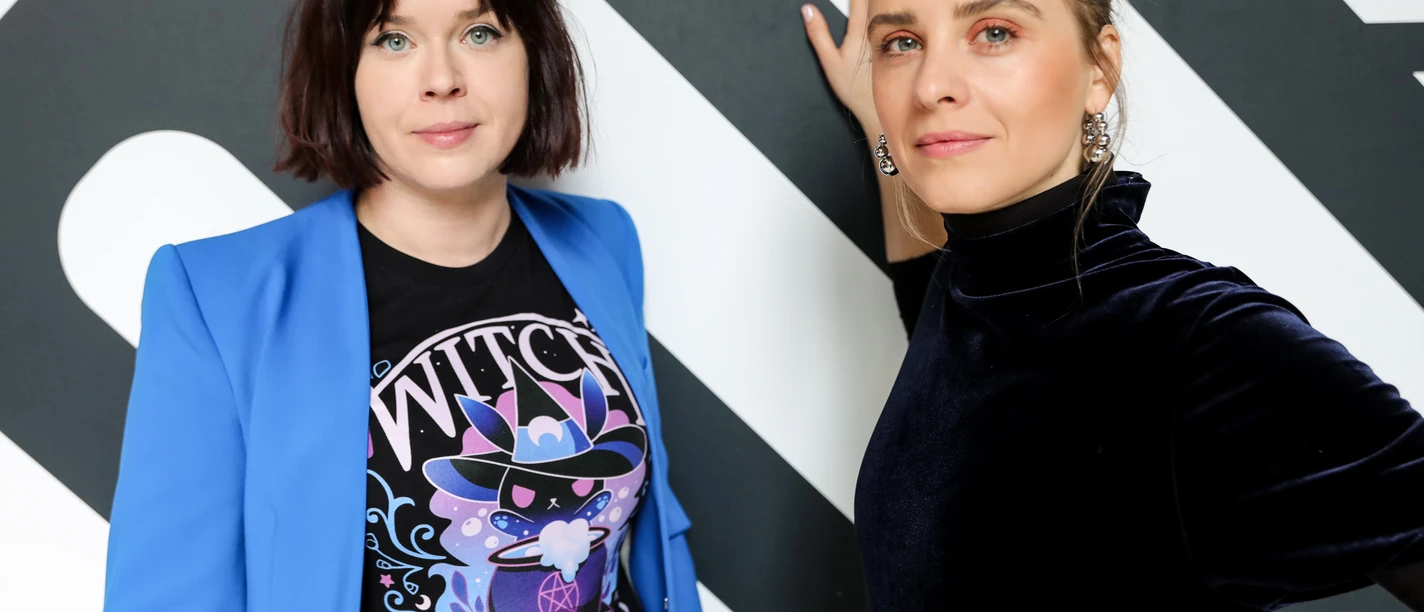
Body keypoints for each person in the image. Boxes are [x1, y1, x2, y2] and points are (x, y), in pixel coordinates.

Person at [802, 0, 1424, 609]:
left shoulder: (1197, 340)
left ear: (1098, 69)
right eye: (902, 44)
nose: (930, 86)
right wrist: (890, 130)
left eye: (994, 32)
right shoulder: (967, 296)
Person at [103, 1, 700, 610]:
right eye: (393, 40)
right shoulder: (217, 298)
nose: (442, 79)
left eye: (479, 32)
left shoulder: (603, 241)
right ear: (342, 69)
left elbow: (654, 535)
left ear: (533, 53)